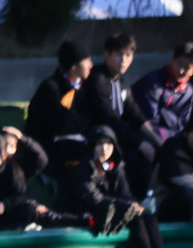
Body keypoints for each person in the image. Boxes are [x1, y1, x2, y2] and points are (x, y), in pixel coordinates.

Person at [62, 125, 187, 248]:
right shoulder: (81, 168)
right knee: (133, 214)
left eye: (108, 144)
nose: (104, 148)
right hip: (93, 214)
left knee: (147, 213)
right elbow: (94, 199)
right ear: (92, 146)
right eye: (100, 144)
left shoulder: (116, 167)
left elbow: (125, 194)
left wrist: (135, 205)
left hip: (115, 210)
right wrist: (128, 205)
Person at [0, 130, 90, 231]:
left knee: (32, 209)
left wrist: (5, 205)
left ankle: (84, 221)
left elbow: (22, 194)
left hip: (5, 218)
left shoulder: (13, 168)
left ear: (4, 155)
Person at [82, 33, 160, 199]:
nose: (123, 60)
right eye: (118, 54)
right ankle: (128, 202)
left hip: (119, 135)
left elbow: (135, 114)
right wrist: (139, 142)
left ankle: (144, 201)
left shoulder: (121, 82)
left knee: (149, 152)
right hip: (99, 137)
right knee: (133, 156)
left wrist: (156, 140)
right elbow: (108, 117)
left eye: (128, 55)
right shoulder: (97, 78)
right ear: (107, 54)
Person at [25, 39, 94, 174]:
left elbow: (88, 117)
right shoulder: (50, 88)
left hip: (71, 145)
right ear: (74, 67)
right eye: (87, 61)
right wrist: (81, 123)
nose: (91, 65)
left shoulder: (83, 87)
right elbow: (63, 123)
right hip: (48, 150)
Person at [130, 42, 193, 149]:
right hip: (143, 134)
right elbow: (150, 117)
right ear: (172, 60)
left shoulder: (189, 93)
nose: (181, 70)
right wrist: (172, 120)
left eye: (187, 67)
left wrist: (163, 112)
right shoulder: (153, 82)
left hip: (170, 139)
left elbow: (182, 124)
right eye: (179, 64)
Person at [156, 119, 193, 221]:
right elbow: (180, 178)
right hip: (164, 206)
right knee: (187, 194)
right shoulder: (173, 146)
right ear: (188, 132)